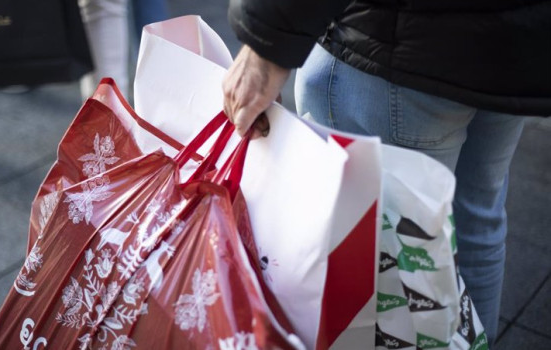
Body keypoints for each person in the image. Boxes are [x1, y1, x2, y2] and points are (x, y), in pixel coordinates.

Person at [222, 0, 551, 347]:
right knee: (472, 227)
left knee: (377, 256)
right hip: (515, 45)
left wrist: (265, 44)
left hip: (391, 48)